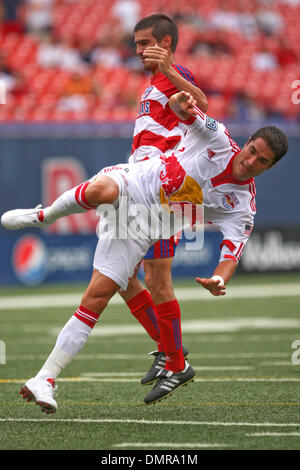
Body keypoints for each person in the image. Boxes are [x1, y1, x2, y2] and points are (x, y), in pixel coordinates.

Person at [1, 91, 289, 411]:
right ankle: (44, 216)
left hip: (142, 228)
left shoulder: (243, 207)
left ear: (270, 167)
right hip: (134, 182)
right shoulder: (217, 137)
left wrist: (220, 279)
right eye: (252, 151)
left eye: (261, 161)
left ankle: (45, 378)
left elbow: (231, 254)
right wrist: (180, 99)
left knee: (97, 297)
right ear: (247, 141)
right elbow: (186, 110)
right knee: (102, 189)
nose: (250, 161)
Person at [118, 14, 208, 387]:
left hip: (163, 188)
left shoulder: (176, 73)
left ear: (166, 42)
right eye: (136, 44)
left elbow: (202, 106)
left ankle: (174, 361)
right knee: (121, 274)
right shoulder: (151, 84)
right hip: (140, 186)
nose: (138, 50)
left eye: (145, 43)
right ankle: (169, 351)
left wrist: (171, 71)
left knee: (156, 279)